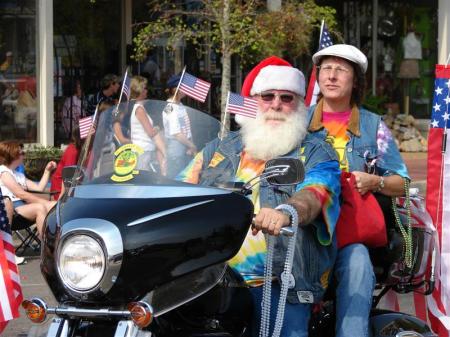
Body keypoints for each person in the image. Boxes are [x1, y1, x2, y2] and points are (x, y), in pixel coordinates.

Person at [178, 56, 341, 337]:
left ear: (300, 104)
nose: (276, 104)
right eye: (268, 96)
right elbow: (178, 189)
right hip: (210, 279)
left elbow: (317, 192)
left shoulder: (315, 152)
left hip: (280, 281)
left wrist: (286, 211)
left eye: (286, 97)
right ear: (255, 100)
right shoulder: (220, 149)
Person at [307, 44, 410, 337]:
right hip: (302, 232)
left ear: (355, 81)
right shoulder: (297, 122)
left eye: (341, 70)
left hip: (350, 234)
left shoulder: (373, 125)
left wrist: (375, 181)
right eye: (326, 68)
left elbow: (401, 182)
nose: (332, 76)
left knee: (358, 264)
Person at [0, 141, 57, 238]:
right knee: (39, 208)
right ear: (13, 155)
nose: (24, 156)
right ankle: (47, 246)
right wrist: (44, 202)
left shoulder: (18, 175)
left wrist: (47, 171)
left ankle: (60, 241)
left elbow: (38, 188)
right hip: (11, 210)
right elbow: (21, 194)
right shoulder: (3, 172)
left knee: (58, 206)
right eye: (22, 153)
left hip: (23, 207)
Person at [129, 75, 167, 175]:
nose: (147, 90)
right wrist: (158, 128)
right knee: (143, 180)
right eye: (145, 88)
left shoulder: (140, 108)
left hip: (145, 150)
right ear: (140, 90)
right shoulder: (140, 109)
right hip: (143, 150)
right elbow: (151, 132)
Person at [163, 74, 197, 178]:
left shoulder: (179, 105)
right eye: (183, 87)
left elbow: (185, 129)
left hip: (184, 147)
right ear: (175, 90)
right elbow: (176, 133)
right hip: (176, 150)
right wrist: (192, 146)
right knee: (177, 179)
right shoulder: (170, 108)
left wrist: (190, 144)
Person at [50, 125, 85, 200]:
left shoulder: (79, 149)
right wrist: (62, 197)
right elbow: (67, 174)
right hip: (60, 187)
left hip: (71, 185)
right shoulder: (73, 151)